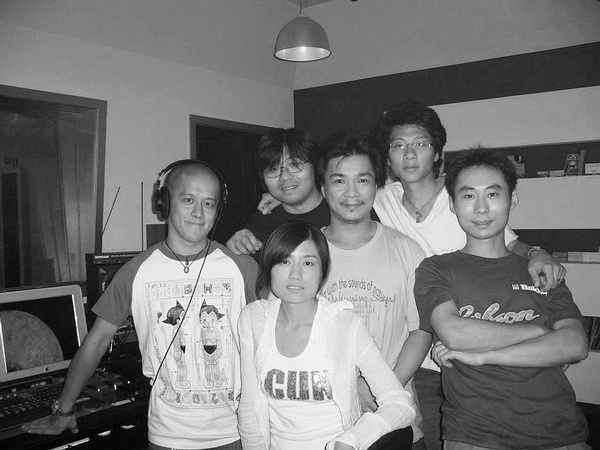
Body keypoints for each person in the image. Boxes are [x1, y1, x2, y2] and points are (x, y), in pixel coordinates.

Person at [371, 100, 567, 450]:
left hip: (479, 345)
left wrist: (536, 253)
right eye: (398, 145)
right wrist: (277, 203)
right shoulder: (382, 200)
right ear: (388, 156)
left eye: (420, 144)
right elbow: (338, 195)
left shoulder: (463, 195)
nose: (410, 154)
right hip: (423, 356)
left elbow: (511, 243)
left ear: (437, 153)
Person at [23, 160, 259, 450]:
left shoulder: (242, 267)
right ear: (164, 203)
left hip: (235, 435)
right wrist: (64, 410)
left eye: (209, 203)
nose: (199, 212)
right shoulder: (136, 271)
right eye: (188, 200)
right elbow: (96, 343)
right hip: (167, 438)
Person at [414, 147, 589, 449]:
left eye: (493, 194)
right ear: (453, 204)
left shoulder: (542, 270)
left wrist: (483, 356)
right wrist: (539, 332)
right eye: (469, 196)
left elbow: (575, 344)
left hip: (559, 431)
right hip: (474, 434)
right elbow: (455, 333)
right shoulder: (437, 269)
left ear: (512, 199)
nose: (481, 208)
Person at [237, 220, 416, 450]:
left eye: (308, 263)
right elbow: (249, 409)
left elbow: (400, 403)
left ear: (322, 271)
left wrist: (353, 439)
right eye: (285, 261)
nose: (295, 274)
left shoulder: (344, 323)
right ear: (270, 267)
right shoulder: (254, 318)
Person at [316, 132, 430, 449]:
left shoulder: (407, 250)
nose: (352, 192)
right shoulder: (303, 253)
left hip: (393, 420)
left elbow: (421, 331)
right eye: (339, 181)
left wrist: (380, 387)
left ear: (377, 186)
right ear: (323, 189)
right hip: (323, 423)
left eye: (363, 180)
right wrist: (350, 387)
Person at [226, 128, 330, 257]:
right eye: (273, 168)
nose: (284, 177)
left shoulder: (340, 212)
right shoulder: (258, 227)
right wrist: (234, 252)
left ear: (315, 166)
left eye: (294, 164)